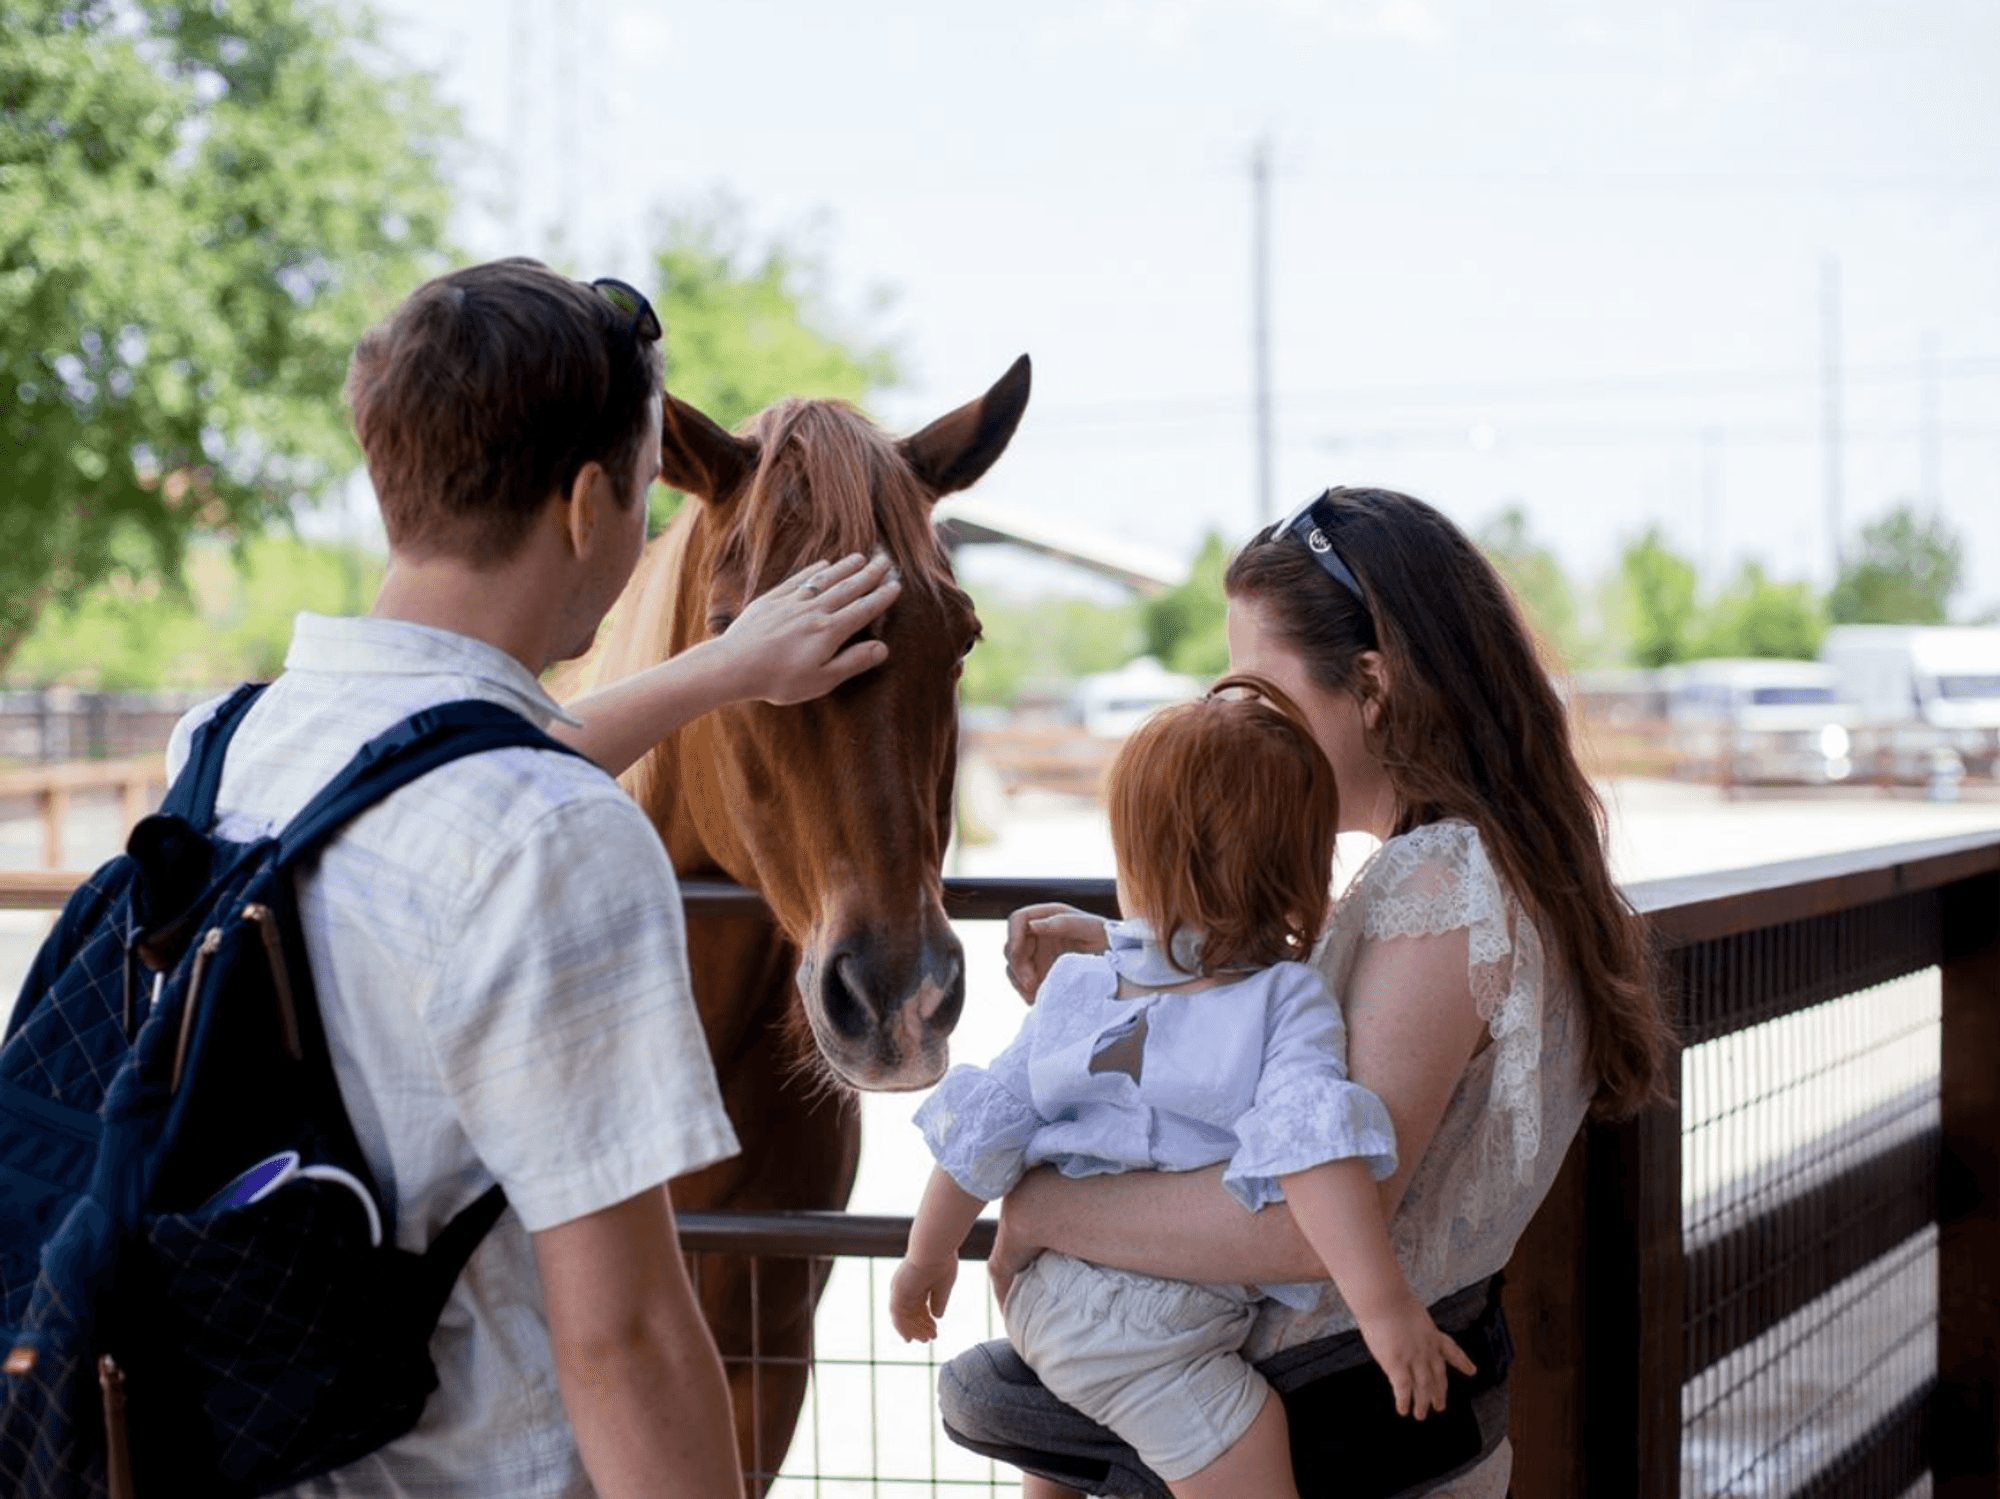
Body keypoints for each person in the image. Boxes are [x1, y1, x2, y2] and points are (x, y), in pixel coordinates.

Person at [164, 258, 902, 1499]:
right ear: (583, 508)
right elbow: (625, 1340)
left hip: (227, 1445)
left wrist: (718, 672)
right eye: (642, 500)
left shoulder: (222, 744)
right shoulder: (560, 834)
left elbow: (426, 766)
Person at [943, 485, 1677, 1499]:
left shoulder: (1439, 882)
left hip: (1323, 1434)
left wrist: (1042, 1205)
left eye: (1255, 690)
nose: (1235, 721)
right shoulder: (1473, 869)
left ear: (1370, 684)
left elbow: (1307, 1218)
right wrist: (1142, 964)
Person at [889, 681, 1476, 1499]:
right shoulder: (1286, 1000)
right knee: (1248, 1439)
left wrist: (927, 1256)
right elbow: (1313, 1151)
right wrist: (1385, 1308)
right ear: (1303, 869)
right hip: (1158, 1323)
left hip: (1041, 1291)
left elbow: (983, 1129)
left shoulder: (1079, 987)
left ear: (1136, 864)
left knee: (1068, 1438)